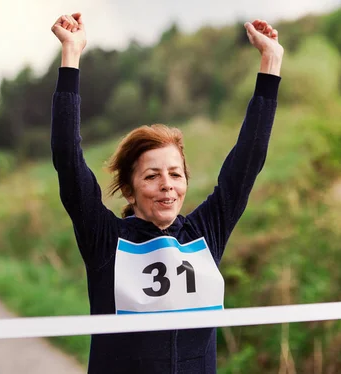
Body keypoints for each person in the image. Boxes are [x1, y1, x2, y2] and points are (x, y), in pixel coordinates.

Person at [51, 12, 283, 374]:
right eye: (152, 176)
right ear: (129, 190)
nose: (167, 185)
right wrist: (72, 53)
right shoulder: (104, 240)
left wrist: (271, 61)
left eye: (176, 174)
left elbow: (248, 161)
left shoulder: (206, 233)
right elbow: (67, 158)